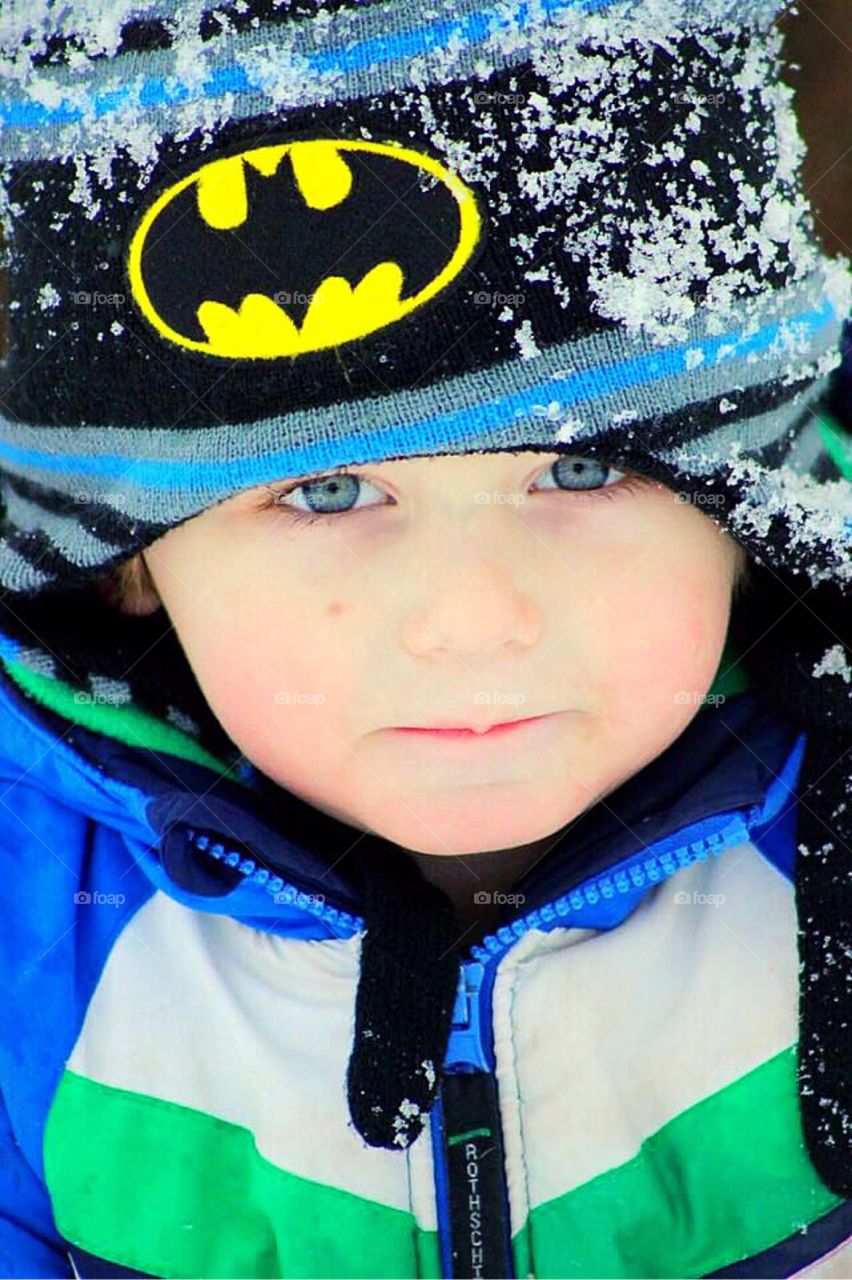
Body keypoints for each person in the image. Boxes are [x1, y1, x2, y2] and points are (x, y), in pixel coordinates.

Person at [0, 0, 849, 1277]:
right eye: (330, 492)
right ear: (128, 569)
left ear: (751, 507)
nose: (474, 620)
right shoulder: (30, 930)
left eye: (580, 469)